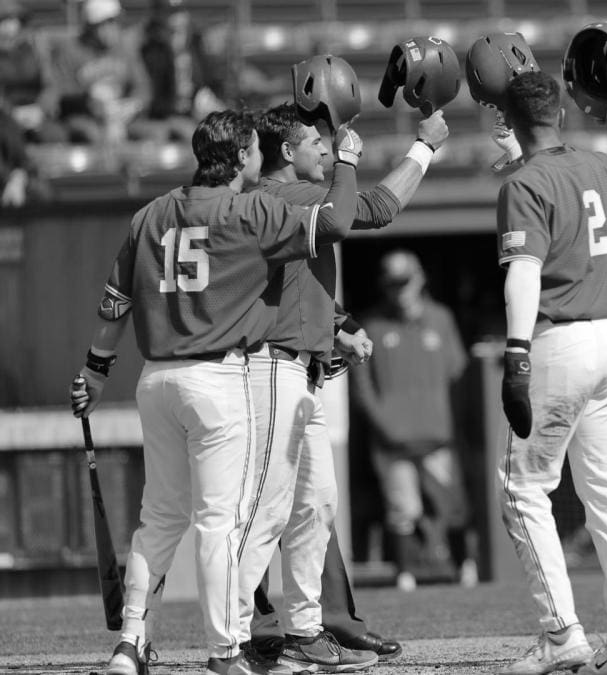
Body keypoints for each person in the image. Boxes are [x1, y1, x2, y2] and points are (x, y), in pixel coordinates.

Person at [68, 108, 362, 675]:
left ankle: (131, 642)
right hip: (218, 377)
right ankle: (226, 651)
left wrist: (96, 373)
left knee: (159, 517)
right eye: (255, 150)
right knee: (218, 520)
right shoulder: (251, 208)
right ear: (245, 154)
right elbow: (335, 224)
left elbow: (114, 307)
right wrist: (345, 162)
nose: (259, 158)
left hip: (155, 380)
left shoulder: (150, 213)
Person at [240, 93, 448, 669]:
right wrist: (425, 147)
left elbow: (296, 286)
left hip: (298, 368)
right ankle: (241, 635)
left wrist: (339, 325)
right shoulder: (286, 193)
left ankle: (303, 632)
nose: (327, 151)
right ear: (287, 151)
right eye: (316, 144)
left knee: (316, 504)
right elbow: (376, 208)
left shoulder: (289, 193)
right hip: (269, 368)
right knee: (267, 511)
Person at [492, 70, 607, 675]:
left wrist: (515, 350)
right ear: (561, 116)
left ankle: (562, 634)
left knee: (523, 488)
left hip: (559, 339)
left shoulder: (526, 180)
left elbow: (524, 270)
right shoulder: (603, 167)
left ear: (507, 125)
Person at [349, 250, 477, 593]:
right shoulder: (372, 325)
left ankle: (465, 568)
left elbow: (458, 376)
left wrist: (454, 425)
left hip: (437, 437)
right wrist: (385, 426)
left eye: (404, 282)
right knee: (402, 509)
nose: (399, 291)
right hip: (393, 442)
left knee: (454, 507)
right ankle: (405, 575)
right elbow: (362, 388)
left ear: (420, 279)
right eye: (392, 284)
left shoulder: (441, 319)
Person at [51, 0, 152, 143]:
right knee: (95, 135)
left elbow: (143, 87)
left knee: (154, 134)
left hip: (122, 115)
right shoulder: (71, 51)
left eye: (115, 22)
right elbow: (60, 93)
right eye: (106, 23)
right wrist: (90, 101)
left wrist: (133, 105)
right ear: (90, 27)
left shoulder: (126, 50)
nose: (112, 28)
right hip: (84, 116)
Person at [139, 0, 226, 141]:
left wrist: (208, 98)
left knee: (227, 126)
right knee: (193, 135)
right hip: (168, 116)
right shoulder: (151, 50)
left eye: (179, 11)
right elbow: (154, 99)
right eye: (170, 13)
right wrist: (171, 52)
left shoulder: (195, 43)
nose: (177, 18)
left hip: (197, 110)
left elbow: (210, 80)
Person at [0, 0, 67, 143]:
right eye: (3, 20)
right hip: (6, 117)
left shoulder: (36, 47)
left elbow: (52, 84)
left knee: (56, 136)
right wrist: (11, 114)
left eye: (12, 19)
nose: (8, 26)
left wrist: (41, 109)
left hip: (37, 113)